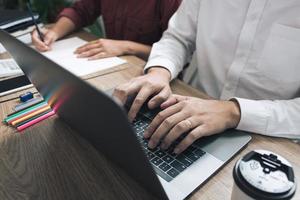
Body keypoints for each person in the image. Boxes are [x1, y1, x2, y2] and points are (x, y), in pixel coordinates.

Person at [113, 0, 300, 155]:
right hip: (185, 108)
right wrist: (159, 71)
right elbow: (178, 38)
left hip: (265, 139)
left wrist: (232, 111)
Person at [31, 0, 181, 60]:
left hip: (153, 74)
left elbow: (175, 52)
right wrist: (54, 32)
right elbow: (81, 12)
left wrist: (126, 47)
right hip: (110, 65)